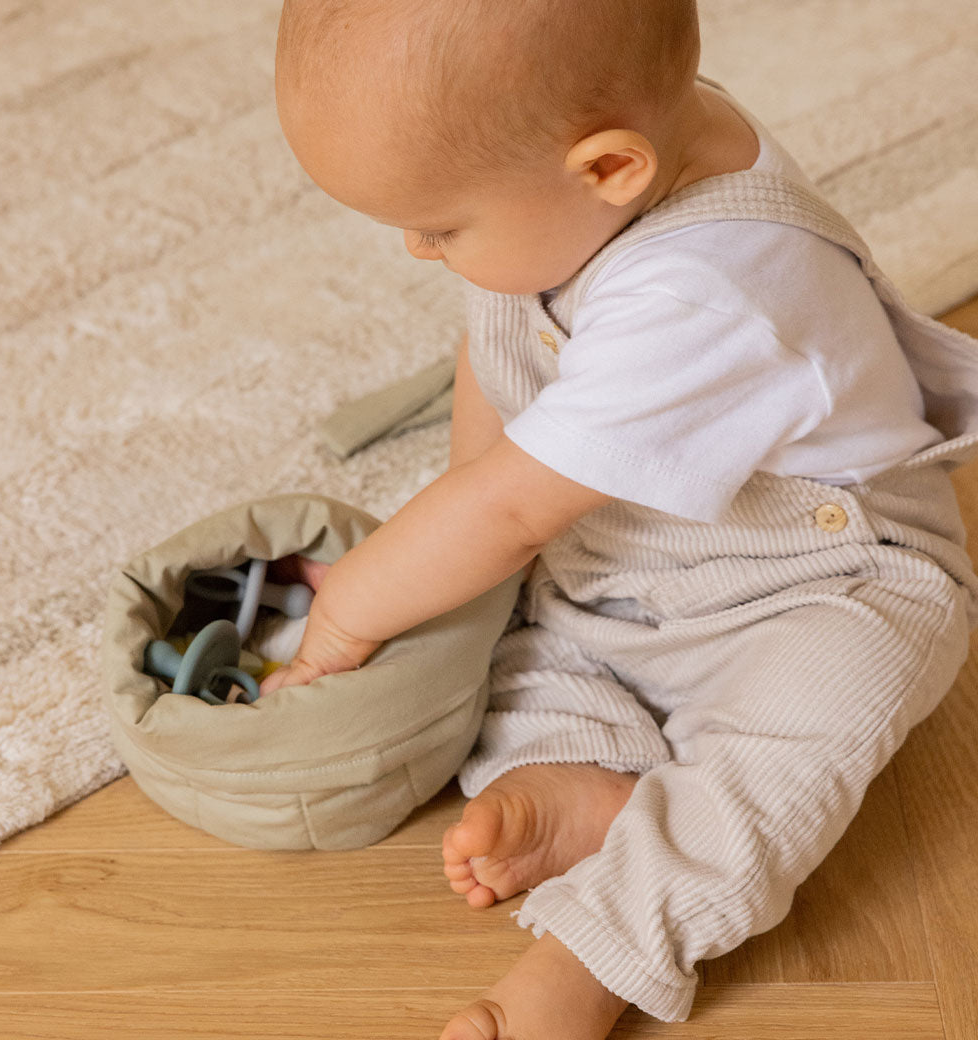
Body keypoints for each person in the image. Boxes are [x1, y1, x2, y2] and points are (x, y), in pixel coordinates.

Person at [261, 1, 978, 1036]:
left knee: (784, 747)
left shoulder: (707, 288)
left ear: (609, 171)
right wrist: (466, 535)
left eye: (441, 224)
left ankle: (597, 952)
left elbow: (507, 506)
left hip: (821, 580)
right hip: (637, 555)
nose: (418, 248)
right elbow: (496, 383)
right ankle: (586, 775)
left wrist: (345, 614)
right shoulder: (599, 159)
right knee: (497, 644)